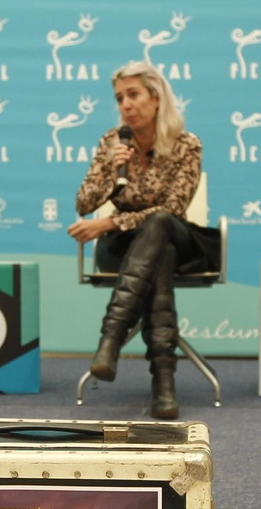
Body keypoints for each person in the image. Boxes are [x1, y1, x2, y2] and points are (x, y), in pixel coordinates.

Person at [69, 61, 217, 419]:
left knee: (161, 226)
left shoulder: (186, 145)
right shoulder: (113, 141)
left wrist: (108, 224)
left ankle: (111, 339)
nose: (125, 105)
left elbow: (173, 207)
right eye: (119, 98)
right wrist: (108, 168)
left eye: (133, 95)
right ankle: (163, 383)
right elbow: (83, 202)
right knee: (157, 254)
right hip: (129, 251)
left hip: (180, 240)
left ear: (156, 97)